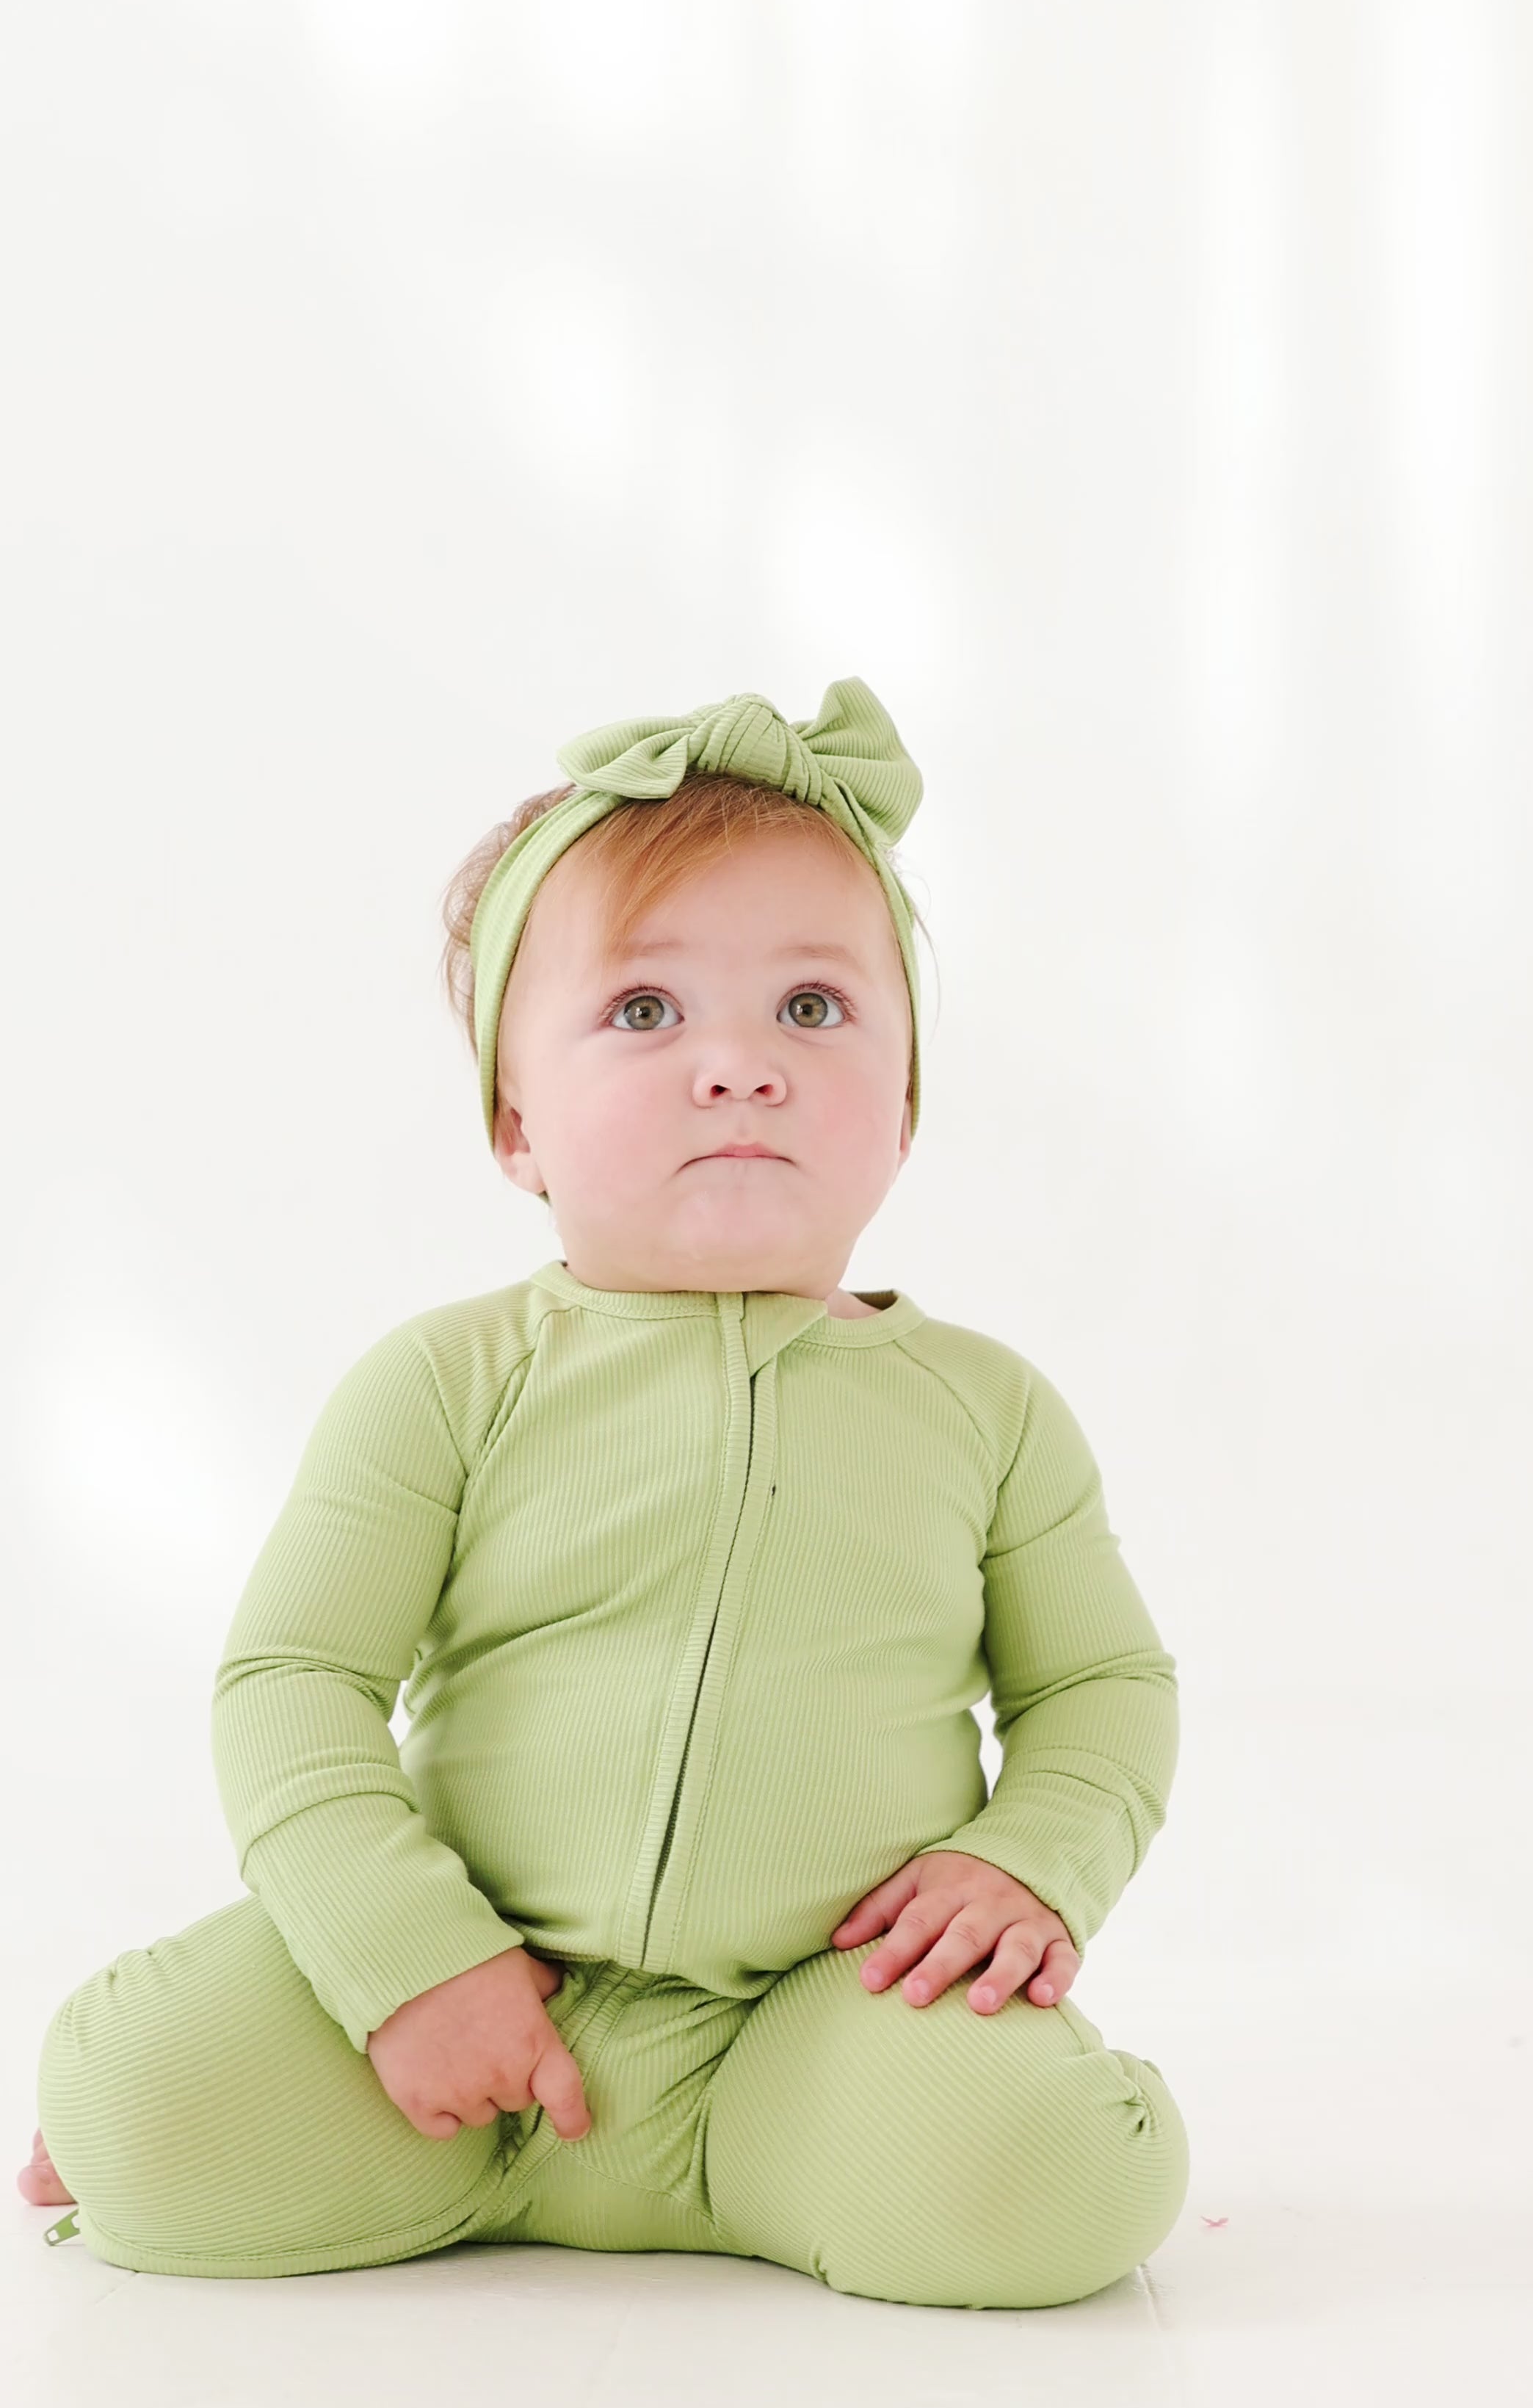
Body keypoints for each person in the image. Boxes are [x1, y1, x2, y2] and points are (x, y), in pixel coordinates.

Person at [20, 678, 1190, 2308]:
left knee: (1061, 2182)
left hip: (810, 2029)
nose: (741, 1068)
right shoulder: (446, 1381)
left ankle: (801, 2156)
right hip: (474, 2012)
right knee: (140, 2102)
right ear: (517, 1123)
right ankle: (281, 2122)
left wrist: (1034, 1862)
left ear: (908, 1107)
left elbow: (1101, 1688)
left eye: (813, 1007)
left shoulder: (988, 1412)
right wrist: (403, 1961)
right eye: (645, 1010)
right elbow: (296, 1678)